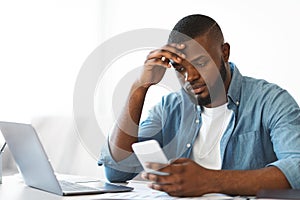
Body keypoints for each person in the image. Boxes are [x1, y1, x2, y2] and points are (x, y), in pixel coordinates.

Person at [98, 14, 300, 197]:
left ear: (225, 53)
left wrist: (208, 180)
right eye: (179, 68)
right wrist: (139, 87)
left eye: (201, 63)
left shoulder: (270, 101)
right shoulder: (170, 107)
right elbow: (117, 170)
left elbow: (296, 169)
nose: (190, 77)